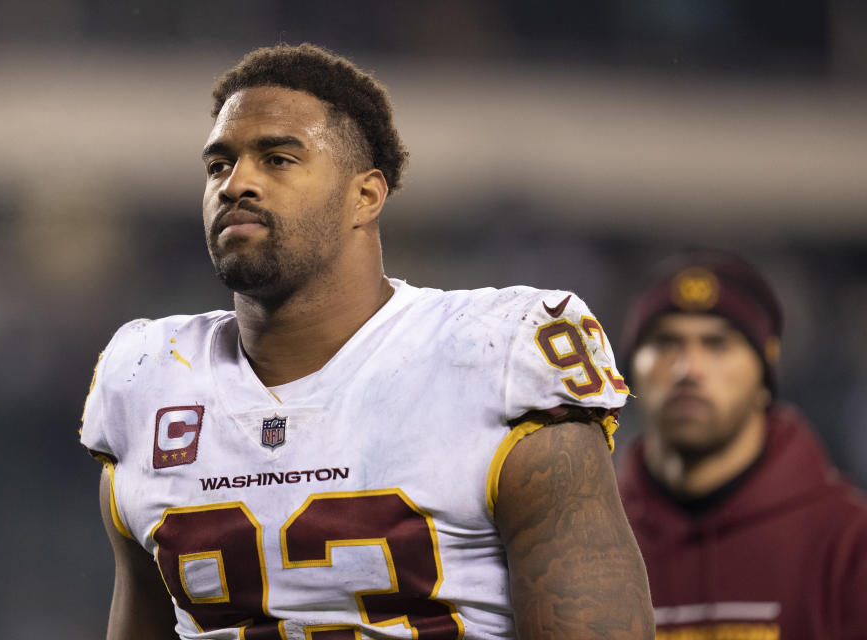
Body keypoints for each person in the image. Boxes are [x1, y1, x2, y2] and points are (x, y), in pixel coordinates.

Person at [80, 43, 654, 640]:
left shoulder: (496, 353)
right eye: (219, 165)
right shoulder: (147, 375)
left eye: (277, 159)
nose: (236, 183)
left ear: (366, 196)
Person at [617, 250, 867, 639]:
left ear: (764, 376)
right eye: (665, 342)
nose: (689, 370)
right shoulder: (591, 537)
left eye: (717, 344)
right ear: (631, 369)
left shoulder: (848, 542)